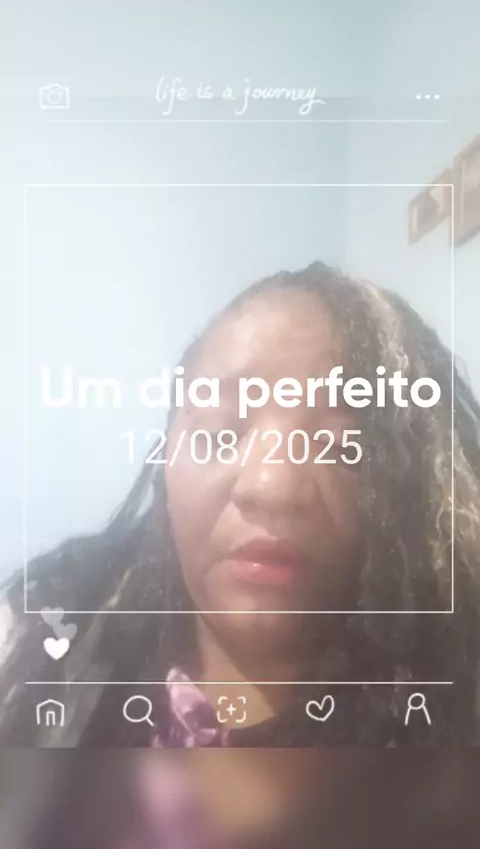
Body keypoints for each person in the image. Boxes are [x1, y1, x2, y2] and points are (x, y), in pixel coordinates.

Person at [1, 260, 480, 747]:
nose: (272, 486)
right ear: (165, 463)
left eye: (342, 445)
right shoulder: (34, 641)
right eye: (218, 433)